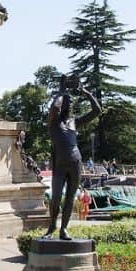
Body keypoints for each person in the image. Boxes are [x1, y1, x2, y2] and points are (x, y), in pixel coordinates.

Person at [44, 74, 102, 240]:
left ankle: (64, 229)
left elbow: (97, 110)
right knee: (56, 197)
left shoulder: (74, 122)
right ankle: (52, 226)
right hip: (60, 164)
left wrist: (85, 92)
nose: (67, 105)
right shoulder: (53, 122)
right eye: (65, 102)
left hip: (75, 162)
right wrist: (62, 92)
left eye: (69, 102)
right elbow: (55, 107)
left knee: (70, 197)